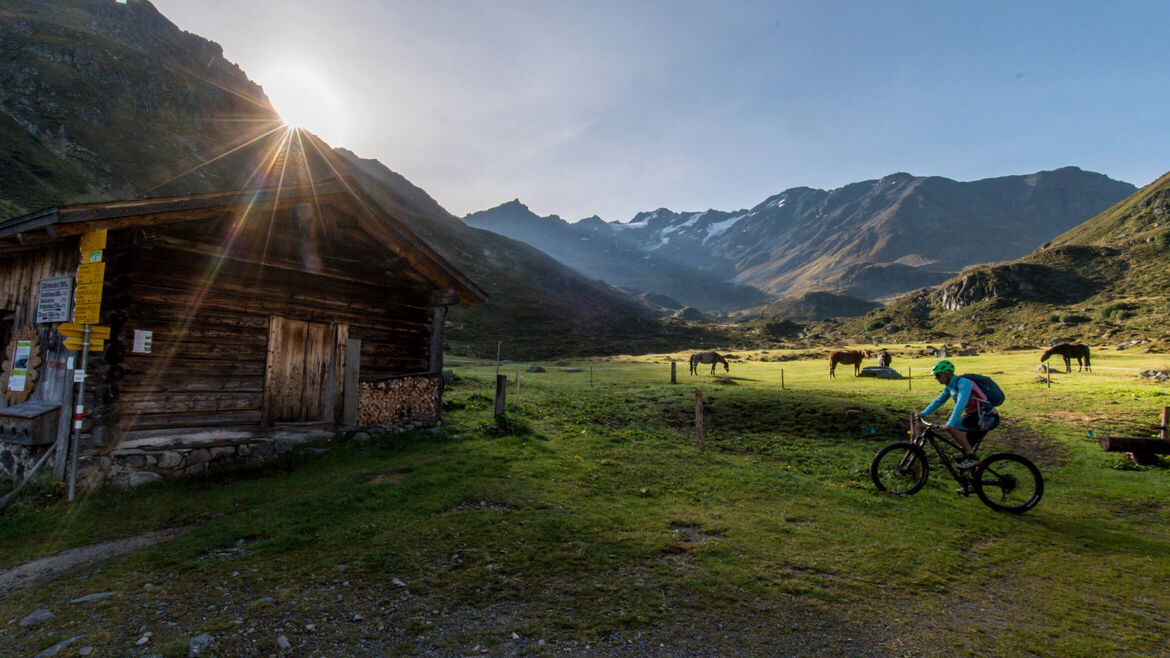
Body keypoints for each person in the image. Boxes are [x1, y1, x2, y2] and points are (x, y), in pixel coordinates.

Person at [912, 359, 999, 471]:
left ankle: (972, 457)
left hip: (987, 417)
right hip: (974, 417)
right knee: (966, 451)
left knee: (955, 430)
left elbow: (961, 403)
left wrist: (950, 423)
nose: (936, 378)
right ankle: (971, 484)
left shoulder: (964, 383)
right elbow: (939, 401)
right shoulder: (950, 386)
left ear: (947, 374)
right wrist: (923, 413)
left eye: (938, 376)